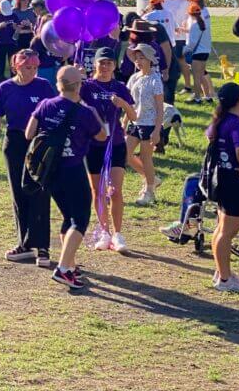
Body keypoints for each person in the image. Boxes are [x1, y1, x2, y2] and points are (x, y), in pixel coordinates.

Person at [25, 67, 105, 290]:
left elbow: (29, 133)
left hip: (49, 171)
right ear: (78, 85)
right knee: (79, 219)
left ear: (59, 84)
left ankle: (69, 265)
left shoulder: (45, 105)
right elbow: (102, 135)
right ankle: (62, 268)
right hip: (73, 169)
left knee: (68, 217)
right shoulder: (85, 112)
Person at [0, 49, 56, 267]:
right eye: (26, 68)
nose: (31, 72)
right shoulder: (5, 88)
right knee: (19, 192)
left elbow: (55, 113)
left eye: (34, 68)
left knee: (40, 191)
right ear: (16, 67)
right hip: (14, 143)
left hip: (39, 144)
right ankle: (24, 243)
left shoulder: (43, 86)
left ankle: (42, 246)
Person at [79, 48, 136, 253]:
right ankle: (104, 231)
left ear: (115, 66)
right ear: (94, 64)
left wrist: (122, 104)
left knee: (116, 190)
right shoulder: (86, 86)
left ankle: (118, 234)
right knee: (98, 190)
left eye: (109, 63)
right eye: (101, 63)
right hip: (93, 145)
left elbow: (134, 115)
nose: (104, 67)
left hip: (116, 143)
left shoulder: (119, 87)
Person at [209, 85, 239, 292]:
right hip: (236, 182)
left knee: (221, 229)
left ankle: (222, 272)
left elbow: (209, 136)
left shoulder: (221, 121)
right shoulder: (237, 124)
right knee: (227, 232)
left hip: (224, 179)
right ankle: (226, 280)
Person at [126, 44, 164, 206]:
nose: (138, 61)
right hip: (135, 121)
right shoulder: (134, 78)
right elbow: (129, 103)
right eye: (136, 58)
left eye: (142, 58)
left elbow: (160, 109)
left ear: (150, 60)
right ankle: (152, 179)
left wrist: (157, 130)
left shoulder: (155, 80)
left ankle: (149, 191)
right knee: (125, 154)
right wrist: (125, 120)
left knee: (145, 157)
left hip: (149, 124)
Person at [186, 2, 214, 103]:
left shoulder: (194, 26)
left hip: (197, 53)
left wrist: (184, 50)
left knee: (196, 78)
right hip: (205, 52)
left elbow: (191, 43)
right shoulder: (204, 24)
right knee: (202, 75)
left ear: (190, 14)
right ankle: (207, 96)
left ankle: (197, 98)